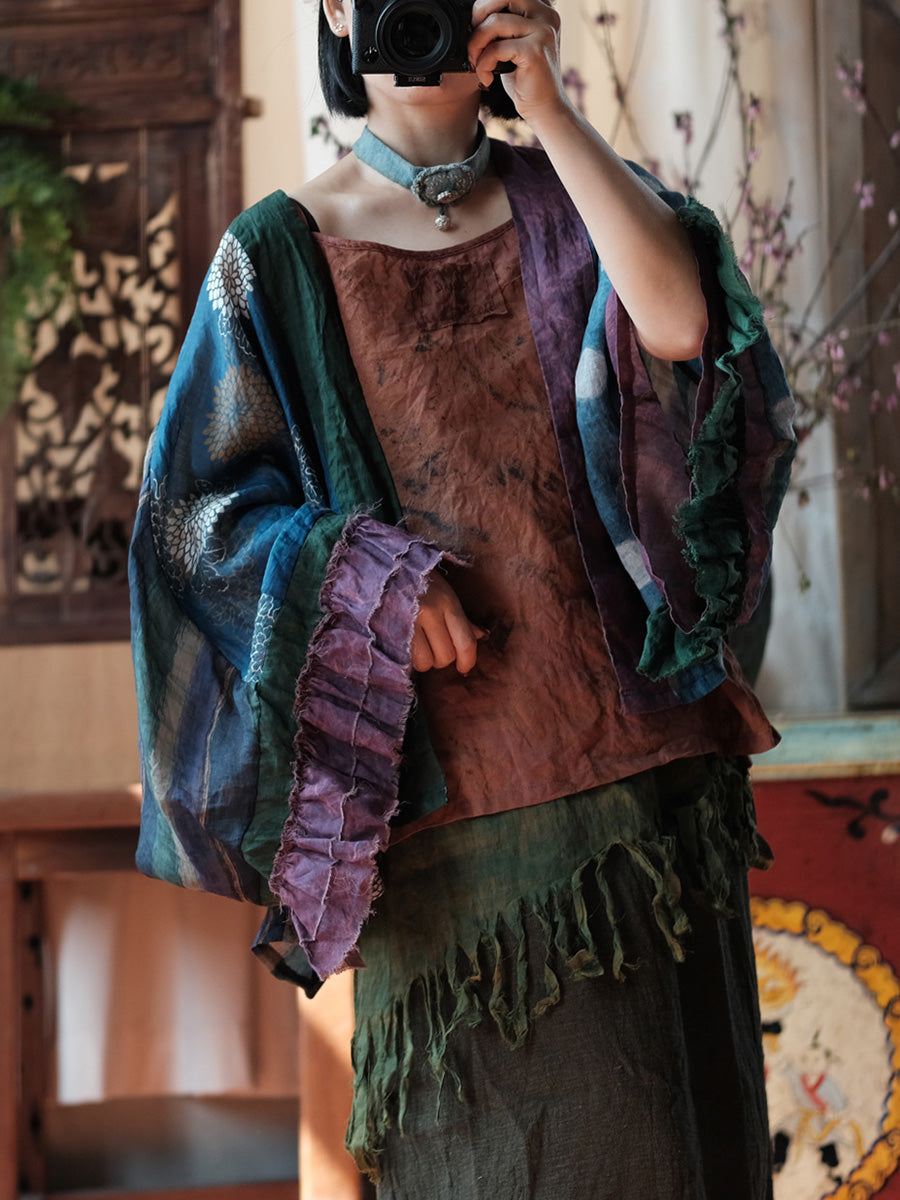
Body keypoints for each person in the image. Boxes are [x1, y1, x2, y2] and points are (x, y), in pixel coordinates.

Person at [129, 2, 796, 1196]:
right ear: (337, 9)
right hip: (459, 845)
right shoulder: (275, 256)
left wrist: (551, 113)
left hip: (646, 800)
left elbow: (691, 331)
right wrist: (362, 578)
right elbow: (188, 528)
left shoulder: (577, 201)